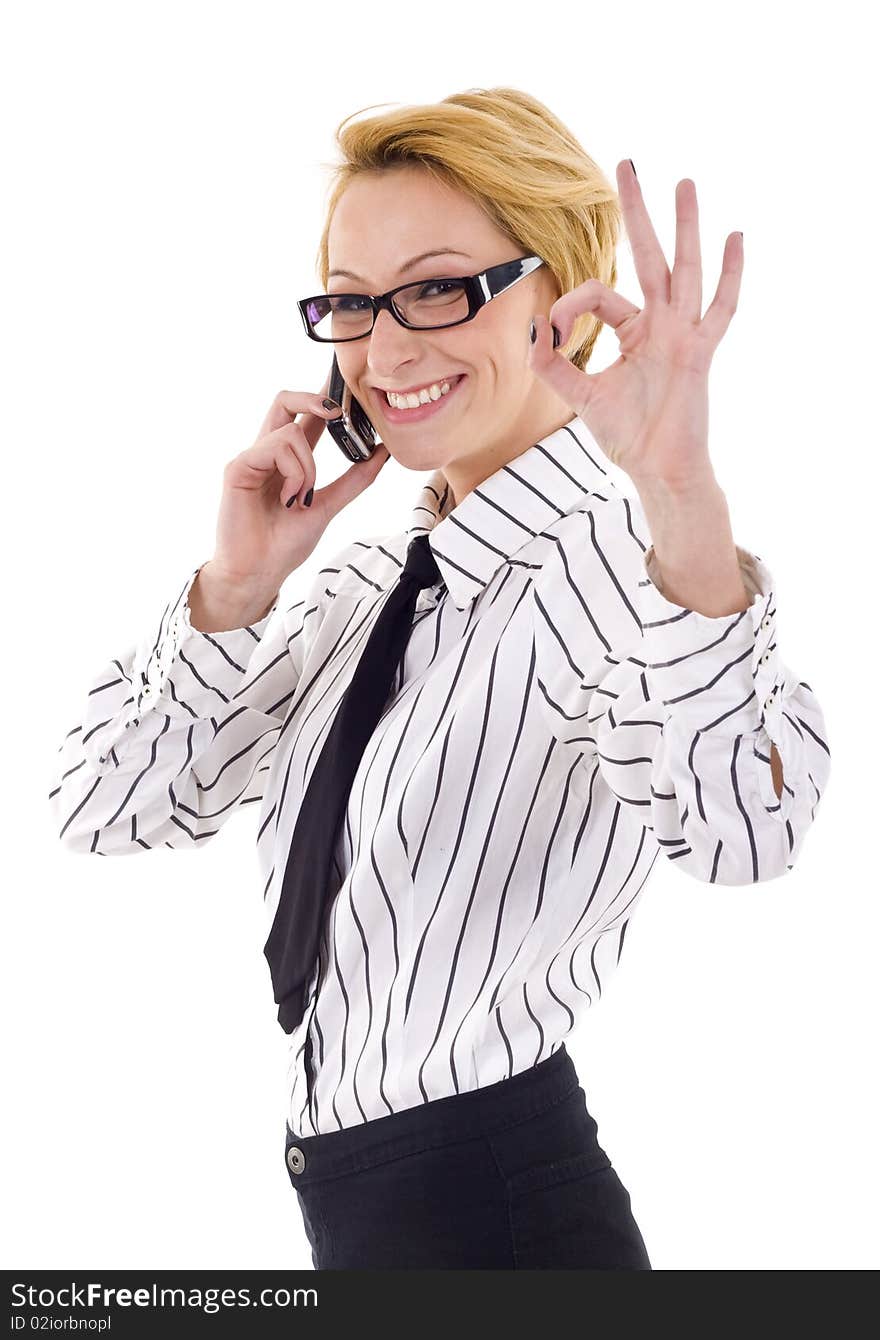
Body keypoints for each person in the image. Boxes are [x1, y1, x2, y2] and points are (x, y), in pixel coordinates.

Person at [48, 86, 831, 1270]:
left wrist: (682, 502)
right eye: (353, 304)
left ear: (556, 303)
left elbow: (747, 833)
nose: (385, 346)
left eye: (435, 287)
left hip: (502, 1220)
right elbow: (104, 807)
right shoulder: (362, 585)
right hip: (364, 1219)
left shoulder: (621, 569)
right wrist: (232, 589)